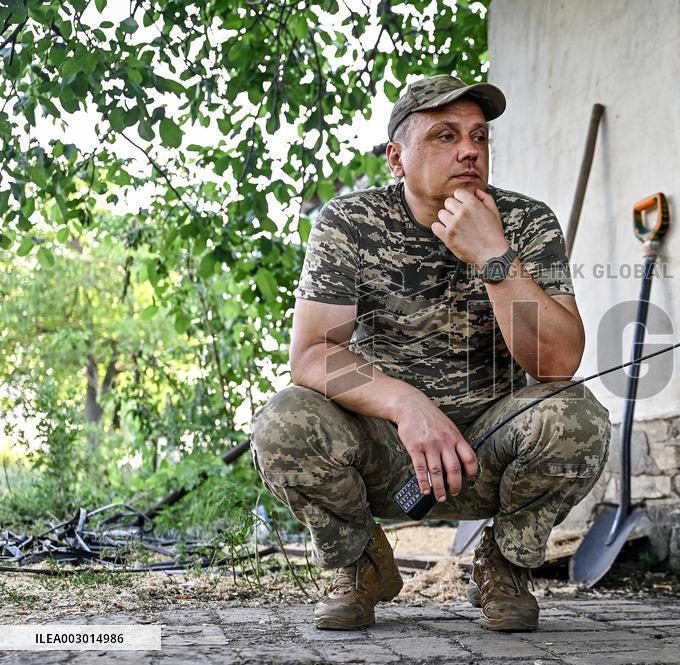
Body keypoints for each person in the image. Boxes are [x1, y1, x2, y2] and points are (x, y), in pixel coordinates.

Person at [250, 75, 610, 632]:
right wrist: (407, 405)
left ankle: (504, 564)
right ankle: (362, 562)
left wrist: (494, 255)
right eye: (445, 136)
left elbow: (557, 363)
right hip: (388, 455)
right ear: (396, 158)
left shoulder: (525, 221)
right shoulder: (350, 224)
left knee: (577, 416)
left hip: (492, 450)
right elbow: (313, 353)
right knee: (282, 422)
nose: (469, 150)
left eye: (479, 136)